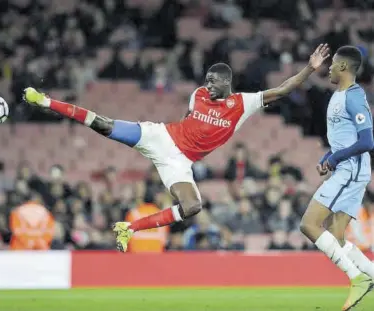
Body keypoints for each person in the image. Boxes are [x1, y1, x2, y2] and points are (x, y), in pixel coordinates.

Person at [23, 44, 329, 252]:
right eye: (207, 80)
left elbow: (284, 89)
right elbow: (187, 121)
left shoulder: (243, 103)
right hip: (162, 138)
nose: (207, 85)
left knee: (193, 206)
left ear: (227, 82)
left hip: (179, 163)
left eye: (213, 81)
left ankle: (128, 228)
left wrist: (310, 69)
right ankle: (46, 101)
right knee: (105, 126)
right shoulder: (197, 94)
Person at [299, 46, 374, 311]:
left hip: (351, 170)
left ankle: (357, 279)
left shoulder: (353, 97)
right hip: (349, 167)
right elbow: (348, 138)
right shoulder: (340, 95)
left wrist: (336, 158)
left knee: (309, 224)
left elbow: (367, 140)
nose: (328, 68)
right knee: (337, 237)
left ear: (343, 67)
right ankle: (371, 276)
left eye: (332, 65)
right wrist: (329, 155)